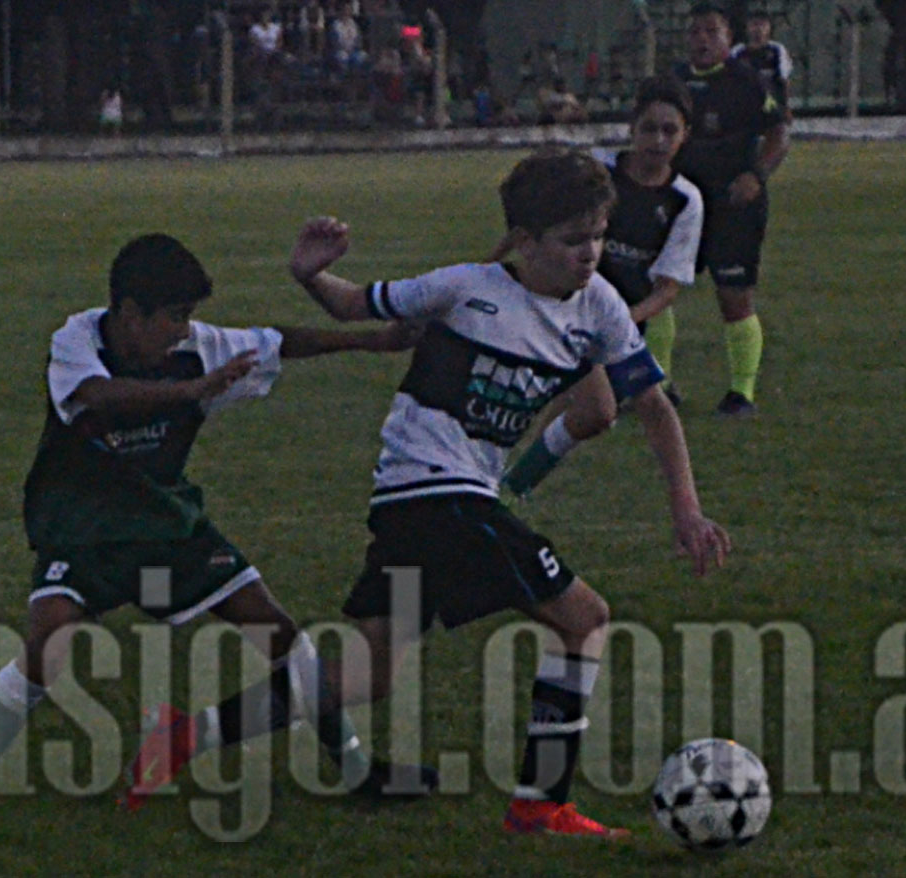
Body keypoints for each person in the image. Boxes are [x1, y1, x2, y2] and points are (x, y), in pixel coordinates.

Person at [281, 149, 730, 838]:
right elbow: (354, 304)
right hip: (441, 493)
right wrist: (310, 274)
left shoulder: (598, 303)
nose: (591, 253)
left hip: (425, 500)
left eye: (599, 236)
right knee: (583, 619)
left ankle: (190, 731)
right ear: (525, 240)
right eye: (574, 239)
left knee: (369, 674)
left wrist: (688, 511)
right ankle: (539, 804)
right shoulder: (468, 287)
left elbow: (652, 406)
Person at [0, 233, 427, 836]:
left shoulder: (195, 348)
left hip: (166, 522)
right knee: (49, 637)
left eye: (189, 317)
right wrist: (190, 392)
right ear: (129, 314)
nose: (185, 331)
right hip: (84, 529)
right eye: (175, 317)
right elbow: (98, 397)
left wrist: (372, 341)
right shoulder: (78, 340)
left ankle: (358, 771)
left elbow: (277, 342)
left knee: (279, 632)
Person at [503, 76, 703, 497]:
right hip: (563, 301)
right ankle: (510, 479)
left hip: (621, 319)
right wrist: (487, 270)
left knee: (598, 410)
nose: (658, 140)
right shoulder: (597, 172)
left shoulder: (686, 200)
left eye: (670, 130)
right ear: (632, 128)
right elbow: (533, 224)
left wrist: (619, 321)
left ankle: (515, 480)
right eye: (649, 128)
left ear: (686, 134)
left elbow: (667, 288)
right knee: (563, 398)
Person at [672, 3, 789, 417]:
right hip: (679, 201)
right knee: (657, 288)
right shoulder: (672, 81)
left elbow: (779, 134)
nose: (702, 40)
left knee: (734, 295)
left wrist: (756, 175)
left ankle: (742, 393)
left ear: (728, 38)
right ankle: (657, 385)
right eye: (695, 32)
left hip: (733, 204)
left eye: (712, 31)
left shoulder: (748, 81)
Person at [730, 10, 793, 119]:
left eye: (763, 25)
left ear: (769, 28)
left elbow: (784, 80)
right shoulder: (737, 51)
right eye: (754, 24)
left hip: (771, 105)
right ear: (747, 28)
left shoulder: (777, 49)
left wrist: (786, 107)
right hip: (745, 107)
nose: (758, 29)